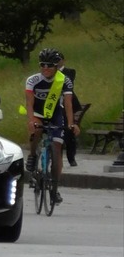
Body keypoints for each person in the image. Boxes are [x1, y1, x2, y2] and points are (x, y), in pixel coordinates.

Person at [25, 48, 79, 204]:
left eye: (49, 65)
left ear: (56, 66)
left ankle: (54, 189)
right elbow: (29, 103)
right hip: (38, 113)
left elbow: (68, 104)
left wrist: (71, 123)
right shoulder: (33, 80)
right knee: (36, 129)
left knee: (57, 148)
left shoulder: (64, 80)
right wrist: (31, 120)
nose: (45, 68)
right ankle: (33, 154)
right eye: (42, 65)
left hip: (55, 114)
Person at [58, 55, 83, 167]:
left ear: (63, 60)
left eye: (58, 60)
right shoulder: (47, 73)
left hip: (67, 104)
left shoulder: (70, 72)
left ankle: (71, 157)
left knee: (69, 131)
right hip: (55, 105)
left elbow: (68, 82)